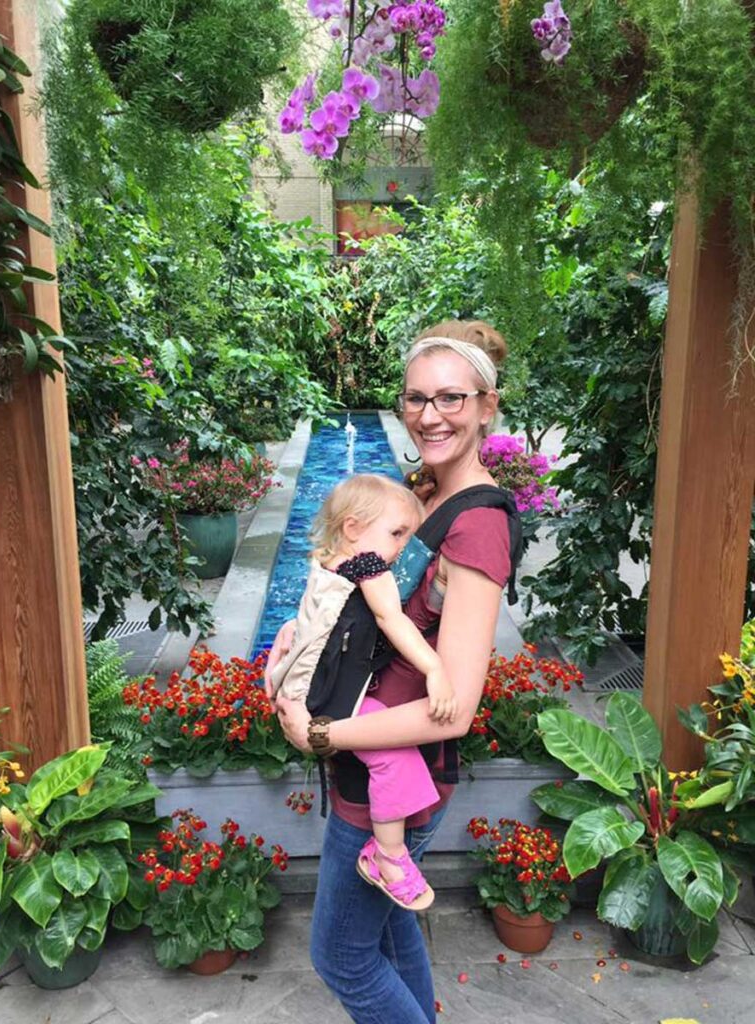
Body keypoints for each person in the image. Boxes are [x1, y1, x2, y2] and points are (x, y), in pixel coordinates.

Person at [266, 320, 511, 1024]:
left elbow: (454, 705)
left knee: (340, 956)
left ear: (487, 406)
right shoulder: (424, 493)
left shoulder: (476, 525)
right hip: (370, 757)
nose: (429, 415)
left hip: (394, 767)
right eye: (416, 398)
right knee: (391, 926)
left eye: (452, 399)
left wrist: (320, 734)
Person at [269, 473, 458, 911]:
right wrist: (434, 668)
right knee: (394, 758)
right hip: (335, 696)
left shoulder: (329, 562)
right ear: (353, 529)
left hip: (316, 687)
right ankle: (388, 855)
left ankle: (391, 848)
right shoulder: (367, 566)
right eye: (397, 534)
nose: (402, 547)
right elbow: (392, 619)